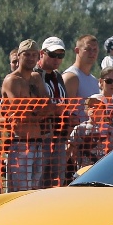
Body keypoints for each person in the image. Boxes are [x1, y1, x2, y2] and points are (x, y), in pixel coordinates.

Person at [0, 40, 50, 193]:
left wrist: (36, 110)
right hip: (20, 142)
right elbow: (20, 112)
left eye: (34, 55)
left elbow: (48, 105)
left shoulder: (36, 78)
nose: (31, 58)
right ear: (19, 56)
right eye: (27, 54)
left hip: (38, 142)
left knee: (35, 191)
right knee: (21, 192)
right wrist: (39, 110)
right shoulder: (12, 80)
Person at [36, 37, 71, 188]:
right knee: (38, 182)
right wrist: (52, 110)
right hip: (41, 136)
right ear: (42, 53)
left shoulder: (58, 76)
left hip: (59, 136)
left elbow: (65, 101)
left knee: (57, 181)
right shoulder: (34, 75)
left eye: (60, 55)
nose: (56, 59)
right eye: (52, 55)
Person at [63, 35, 102, 115]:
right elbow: (65, 113)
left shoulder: (94, 80)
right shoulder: (71, 77)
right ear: (77, 50)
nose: (92, 53)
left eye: (95, 50)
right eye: (88, 49)